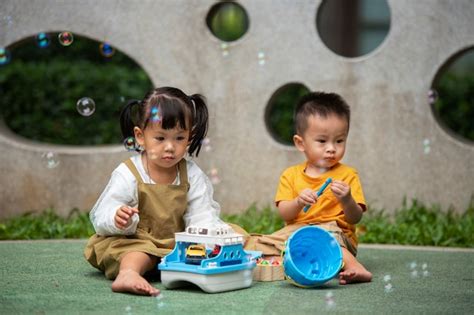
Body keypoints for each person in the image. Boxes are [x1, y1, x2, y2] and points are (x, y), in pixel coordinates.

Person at [84, 87, 229, 296]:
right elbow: (102, 212)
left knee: (226, 234)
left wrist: (204, 238)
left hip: (176, 243)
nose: (170, 147)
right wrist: (118, 217)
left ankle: (190, 266)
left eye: (179, 138)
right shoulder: (129, 173)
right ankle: (129, 273)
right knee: (136, 252)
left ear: (190, 137)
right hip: (137, 240)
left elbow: (201, 214)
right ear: (140, 136)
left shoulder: (192, 174)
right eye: (160, 138)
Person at [245, 91, 372, 285]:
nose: (331, 148)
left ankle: (355, 267)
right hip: (298, 233)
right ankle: (281, 259)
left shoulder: (348, 175)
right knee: (268, 241)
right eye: (322, 141)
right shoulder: (291, 175)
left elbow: (355, 218)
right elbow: (286, 214)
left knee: (326, 234)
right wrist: (297, 202)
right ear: (300, 143)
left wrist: (347, 199)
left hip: (337, 236)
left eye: (339, 140)